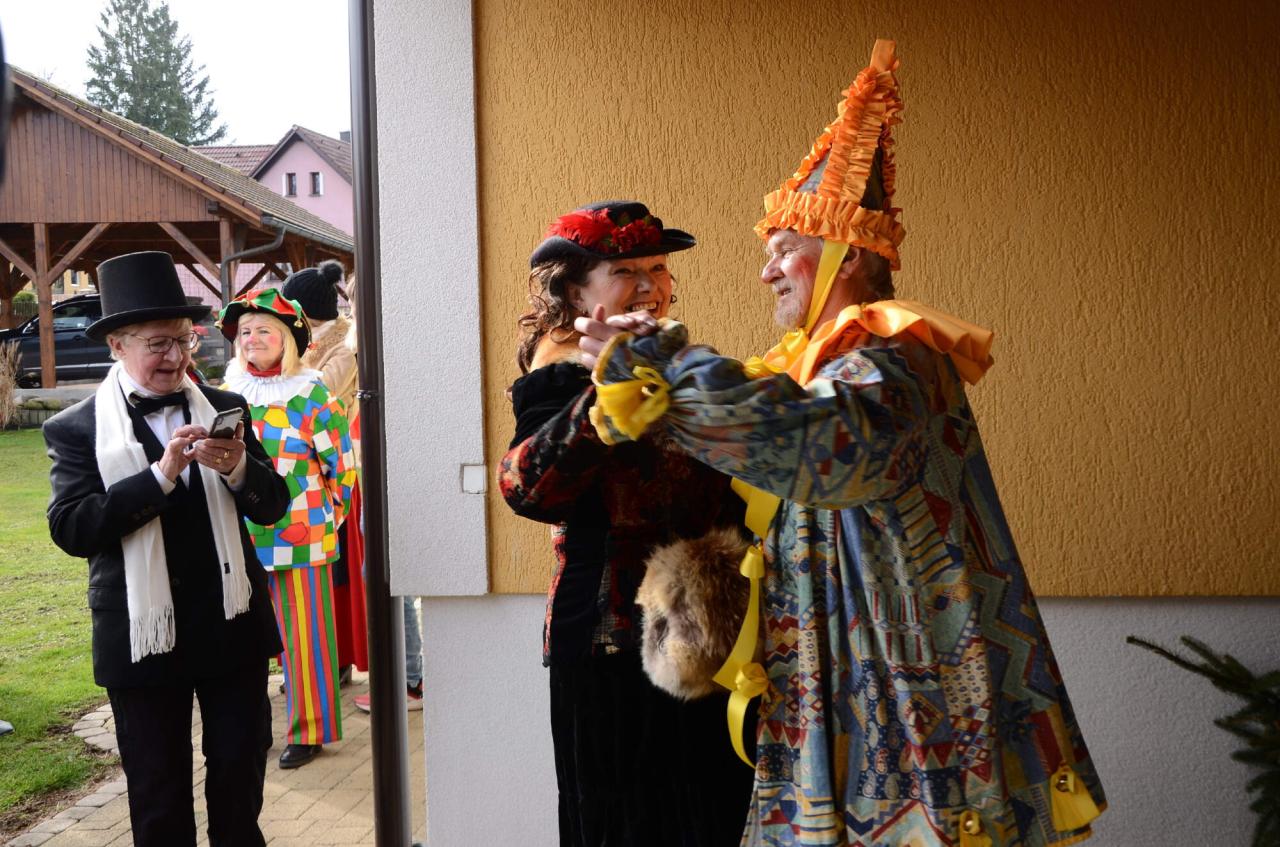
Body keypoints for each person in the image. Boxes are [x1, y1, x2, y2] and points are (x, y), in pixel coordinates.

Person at [578, 43, 1107, 847]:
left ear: (849, 254)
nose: (766, 273)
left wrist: (667, 371)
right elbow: (764, 431)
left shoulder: (899, 356)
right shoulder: (823, 364)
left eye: (782, 250)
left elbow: (825, 446)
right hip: (834, 677)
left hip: (904, 689)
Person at [498, 200, 754, 847]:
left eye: (658, 268)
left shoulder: (672, 359)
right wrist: (603, 405)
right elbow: (526, 489)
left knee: (709, 819)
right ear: (573, 291)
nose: (649, 285)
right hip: (610, 642)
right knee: (625, 826)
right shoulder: (559, 372)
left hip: (705, 629)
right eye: (625, 271)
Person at [44, 251, 288, 847]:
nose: (177, 358)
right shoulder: (75, 427)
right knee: (159, 797)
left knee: (240, 781)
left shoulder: (225, 408)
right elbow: (72, 529)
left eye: (184, 340)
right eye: (158, 344)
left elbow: (273, 505)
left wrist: (239, 471)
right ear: (117, 346)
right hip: (142, 636)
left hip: (231, 626)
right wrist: (158, 478)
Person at [218, 288, 356, 770]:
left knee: (305, 639)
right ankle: (253, 729)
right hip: (240, 535)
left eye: (264, 330)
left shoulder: (311, 393)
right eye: (245, 331)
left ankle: (309, 730)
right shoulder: (228, 391)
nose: (252, 338)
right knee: (245, 640)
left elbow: (341, 466)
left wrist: (326, 520)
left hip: (301, 533)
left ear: (287, 340)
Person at [281, 261, 369, 685]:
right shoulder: (301, 342)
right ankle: (302, 659)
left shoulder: (344, 347)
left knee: (335, 576)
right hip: (291, 471)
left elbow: (318, 395)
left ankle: (336, 659)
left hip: (332, 471)